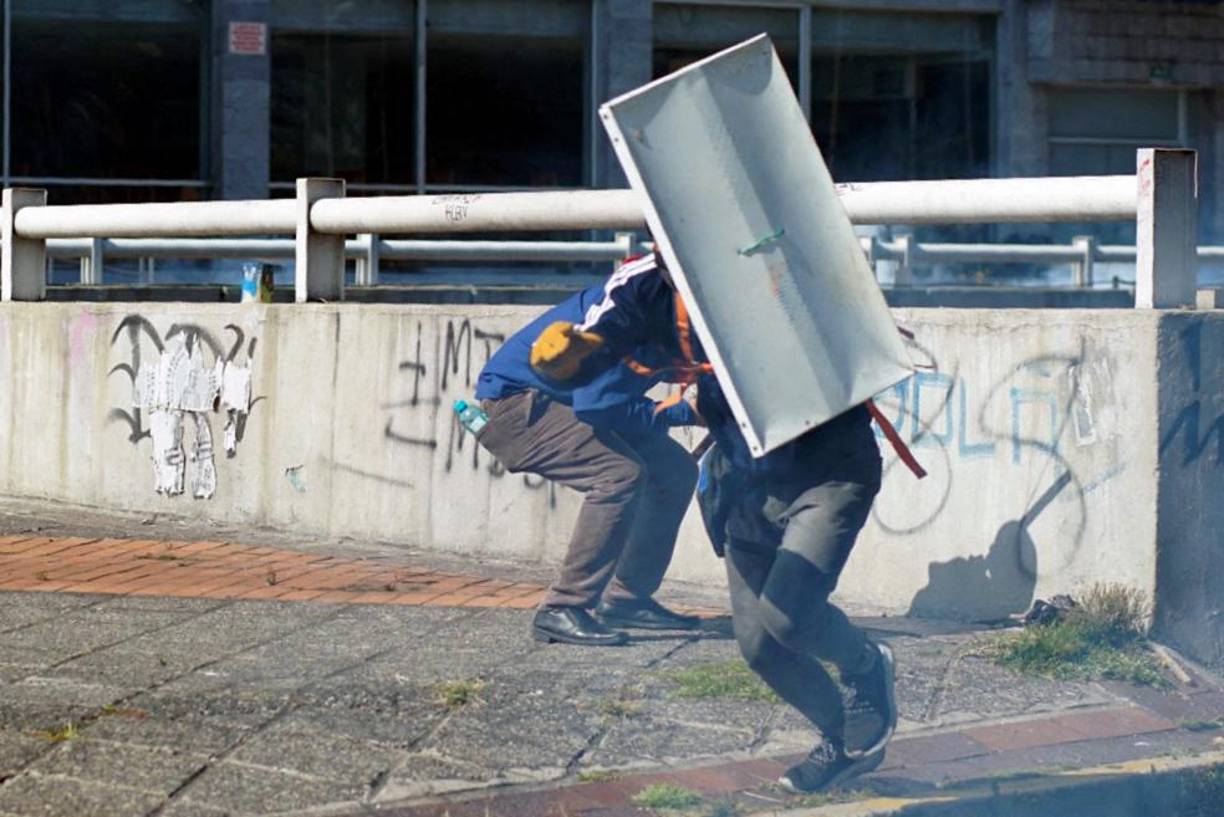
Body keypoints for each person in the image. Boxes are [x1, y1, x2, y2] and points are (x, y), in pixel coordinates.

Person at [529, 252, 898, 793]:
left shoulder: (785, 262)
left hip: (828, 469)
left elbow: (851, 308)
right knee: (760, 646)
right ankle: (844, 742)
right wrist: (578, 355)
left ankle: (866, 667)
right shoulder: (648, 287)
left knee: (789, 617)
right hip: (744, 478)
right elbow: (606, 334)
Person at [473, 255, 704, 647]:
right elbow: (596, 404)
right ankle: (562, 608)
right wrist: (683, 412)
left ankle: (628, 600)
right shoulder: (632, 311)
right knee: (618, 475)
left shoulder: (678, 301)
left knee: (674, 470)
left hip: (567, 400)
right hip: (520, 406)